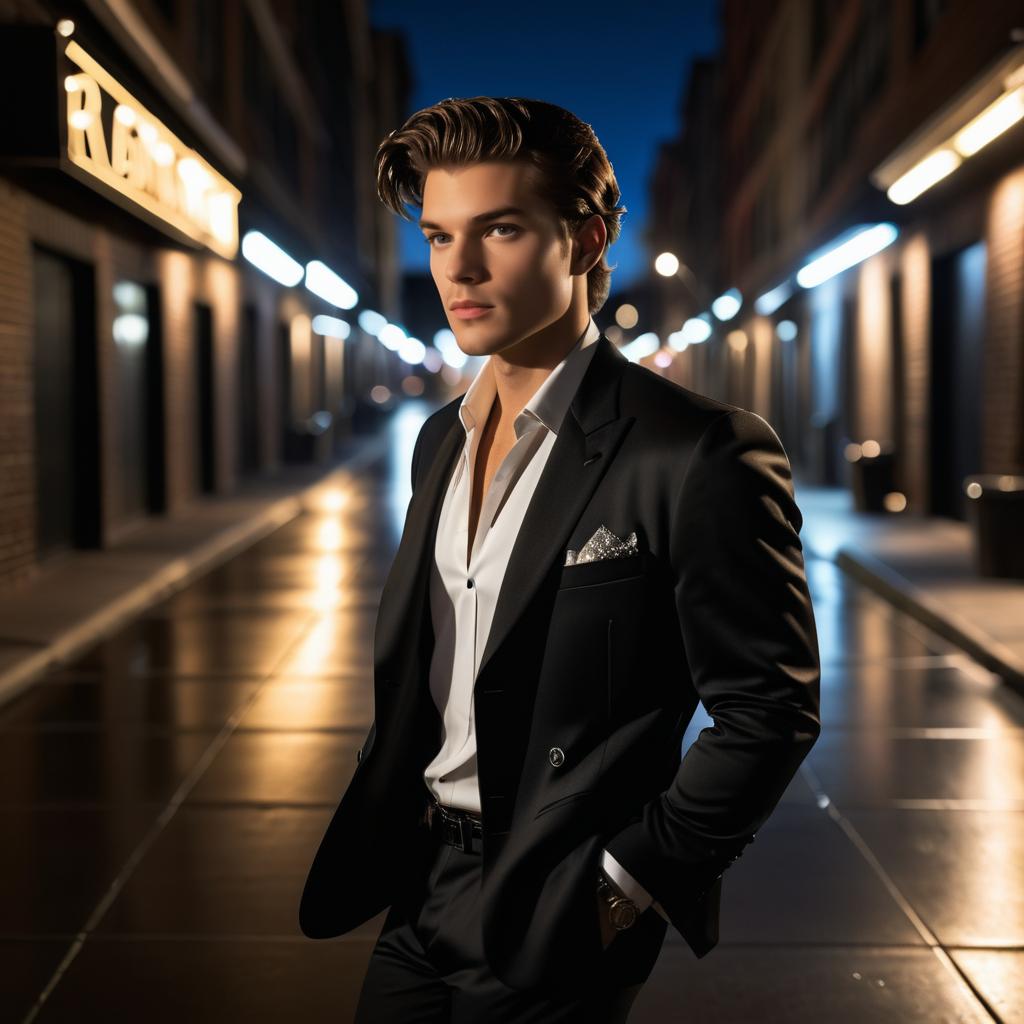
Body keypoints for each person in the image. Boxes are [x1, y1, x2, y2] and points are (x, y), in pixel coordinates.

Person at [299, 96, 821, 1023]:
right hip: (418, 883)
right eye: (437, 235)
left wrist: (627, 882)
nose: (457, 268)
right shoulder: (438, 443)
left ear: (585, 239)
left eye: (498, 230)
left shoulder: (694, 450)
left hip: (561, 898)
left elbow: (769, 711)